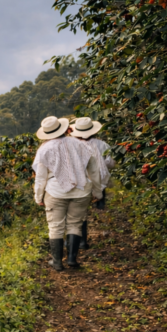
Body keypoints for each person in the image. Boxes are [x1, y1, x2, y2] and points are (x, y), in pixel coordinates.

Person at [33, 116, 103, 271]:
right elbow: (94, 170)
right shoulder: (81, 145)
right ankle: (72, 259)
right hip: (81, 190)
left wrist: (38, 196)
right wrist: (97, 191)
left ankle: (57, 262)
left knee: (55, 226)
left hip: (55, 191)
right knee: (75, 224)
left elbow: (41, 176)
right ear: (64, 129)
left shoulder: (44, 149)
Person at [69, 117, 115, 249]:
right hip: (98, 180)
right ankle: (101, 216)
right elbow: (111, 163)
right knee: (99, 200)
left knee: (79, 212)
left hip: (79, 182)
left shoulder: (72, 145)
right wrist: (101, 164)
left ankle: (80, 241)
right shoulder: (102, 144)